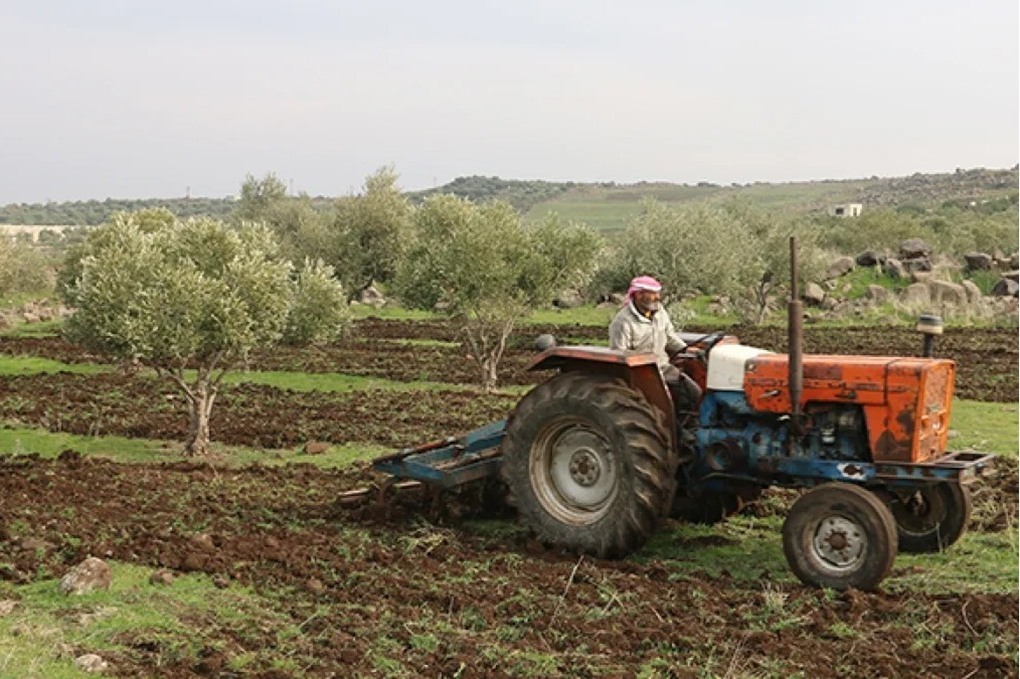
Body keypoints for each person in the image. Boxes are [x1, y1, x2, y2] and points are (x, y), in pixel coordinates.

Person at [609, 275, 702, 413]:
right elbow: (620, 355)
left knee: (694, 392)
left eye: (658, 293)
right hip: (641, 374)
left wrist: (686, 349)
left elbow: (670, 337)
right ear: (639, 294)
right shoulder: (623, 322)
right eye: (652, 293)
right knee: (662, 405)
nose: (658, 297)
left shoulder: (660, 312)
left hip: (663, 367)